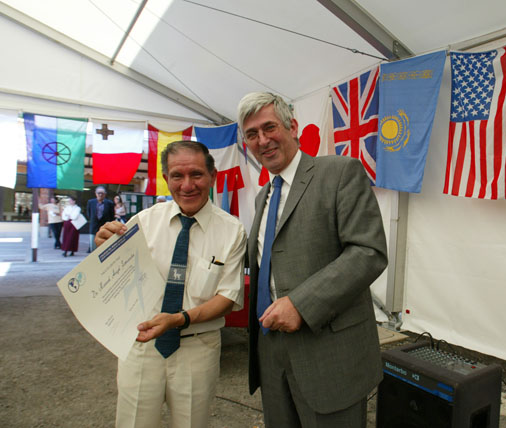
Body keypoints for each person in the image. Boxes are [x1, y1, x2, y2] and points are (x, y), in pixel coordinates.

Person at [238, 92, 388, 428]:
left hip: (329, 355)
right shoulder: (263, 197)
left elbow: (368, 252)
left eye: (269, 128)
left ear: (292, 127)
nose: (262, 140)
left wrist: (301, 304)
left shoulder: (339, 172)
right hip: (271, 351)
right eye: (252, 134)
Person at [95, 140, 247, 428]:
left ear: (212, 176)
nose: (187, 185)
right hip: (141, 345)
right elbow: (112, 276)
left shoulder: (232, 231)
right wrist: (103, 247)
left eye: (196, 174)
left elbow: (228, 297)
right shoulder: (142, 222)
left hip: (197, 349)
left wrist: (179, 319)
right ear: (166, 178)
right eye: (177, 175)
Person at [86, 185, 115, 252]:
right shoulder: (91, 202)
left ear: (105, 194)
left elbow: (112, 216)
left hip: (105, 227)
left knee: (104, 247)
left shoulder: (110, 203)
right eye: (99, 193)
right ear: (96, 193)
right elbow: (89, 213)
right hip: (94, 226)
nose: (100, 195)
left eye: (102, 193)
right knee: (93, 247)